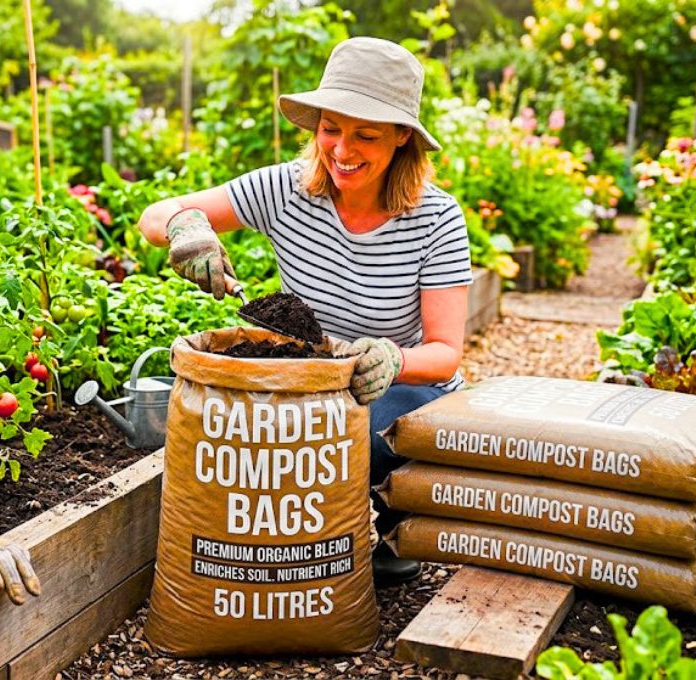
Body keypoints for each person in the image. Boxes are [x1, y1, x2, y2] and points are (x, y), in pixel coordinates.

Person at [135, 37, 471, 586]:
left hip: (400, 386)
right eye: (330, 129)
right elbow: (158, 212)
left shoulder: (436, 219)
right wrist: (185, 229)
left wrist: (390, 357)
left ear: (401, 138)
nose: (342, 149)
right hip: (313, 377)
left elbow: (445, 353)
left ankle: (393, 519)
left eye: (365, 135)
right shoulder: (286, 191)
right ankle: (295, 540)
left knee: (358, 434)